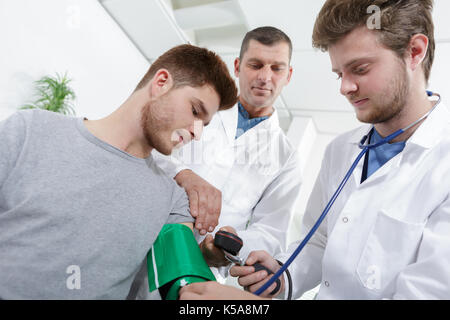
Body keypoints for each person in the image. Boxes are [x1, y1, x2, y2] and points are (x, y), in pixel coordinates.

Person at [179, 0, 450, 300]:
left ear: (414, 52)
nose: (344, 88)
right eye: (339, 74)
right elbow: (319, 242)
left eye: (360, 69)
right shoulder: (341, 151)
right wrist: (283, 276)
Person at [0, 44, 238, 299]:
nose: (196, 132)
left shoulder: (173, 200)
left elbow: (185, 285)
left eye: (204, 125)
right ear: (161, 83)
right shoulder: (30, 130)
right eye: (195, 111)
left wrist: (206, 260)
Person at [151, 26, 303, 272]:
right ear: (237, 66)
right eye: (255, 65)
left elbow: (271, 231)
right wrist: (184, 175)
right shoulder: (198, 109)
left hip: (200, 267)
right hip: (151, 231)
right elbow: (153, 149)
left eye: (277, 68)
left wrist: (232, 245)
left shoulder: (286, 158)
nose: (265, 77)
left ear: (289, 75)